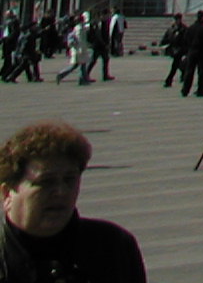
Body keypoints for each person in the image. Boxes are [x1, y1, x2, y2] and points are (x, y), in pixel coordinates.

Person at [0, 120, 147, 283]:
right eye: (46, 182)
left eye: (69, 180)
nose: (61, 191)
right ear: (7, 194)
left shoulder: (113, 246)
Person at [158, 15, 187, 91]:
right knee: (177, 64)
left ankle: (169, 80)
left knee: (174, 65)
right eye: (176, 19)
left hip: (180, 49)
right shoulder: (172, 28)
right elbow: (167, 37)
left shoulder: (184, 28)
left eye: (178, 19)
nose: (177, 21)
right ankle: (183, 73)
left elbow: (185, 39)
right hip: (173, 48)